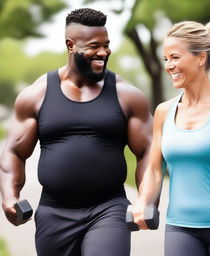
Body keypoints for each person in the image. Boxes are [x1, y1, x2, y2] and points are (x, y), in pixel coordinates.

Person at [0, 8, 152, 256]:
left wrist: (145, 198)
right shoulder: (36, 95)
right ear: (71, 45)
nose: (103, 52)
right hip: (54, 212)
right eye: (94, 46)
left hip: (108, 208)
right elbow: (14, 152)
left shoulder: (127, 95)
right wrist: (9, 196)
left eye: (107, 44)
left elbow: (148, 151)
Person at [131, 18, 210, 256]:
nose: (169, 66)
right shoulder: (163, 112)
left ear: (201, 58)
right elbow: (155, 169)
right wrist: (143, 200)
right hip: (180, 227)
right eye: (166, 59)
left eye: (175, 57)